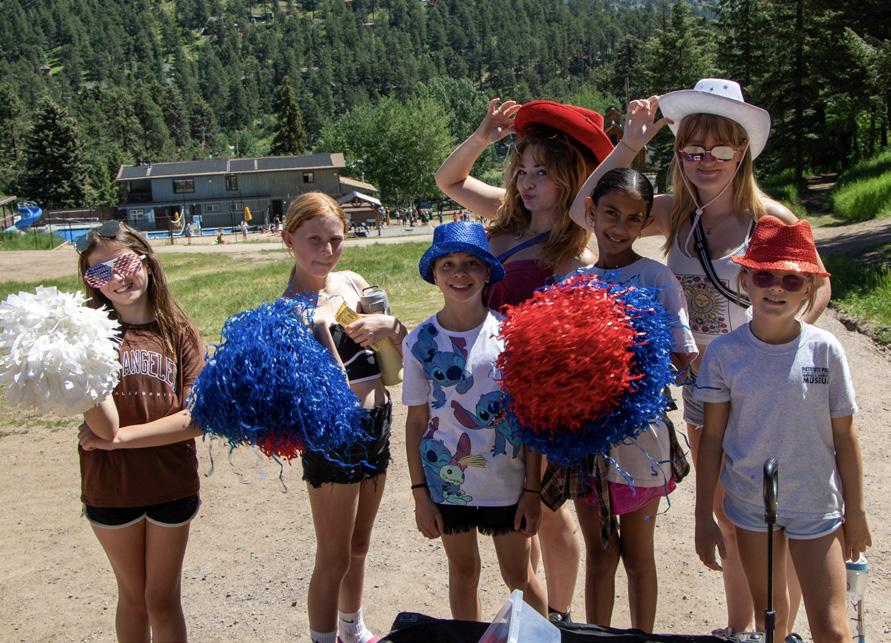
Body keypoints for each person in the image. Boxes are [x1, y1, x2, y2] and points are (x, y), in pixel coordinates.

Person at [570, 79, 831, 633]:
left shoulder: (769, 218)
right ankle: (741, 627)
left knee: (767, 517)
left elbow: (818, 284)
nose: (705, 161)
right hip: (703, 386)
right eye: (692, 150)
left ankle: (776, 631)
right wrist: (629, 145)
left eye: (719, 149)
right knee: (726, 513)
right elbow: (580, 211)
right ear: (679, 155)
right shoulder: (675, 213)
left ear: (742, 152)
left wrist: (785, 340)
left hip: (761, 383)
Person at [435, 97, 614, 622]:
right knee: (516, 510)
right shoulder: (504, 217)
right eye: (523, 170)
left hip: (542, 400)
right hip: (488, 393)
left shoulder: (576, 250)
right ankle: (530, 608)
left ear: (571, 178)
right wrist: (482, 137)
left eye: (543, 173)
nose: (527, 183)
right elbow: (449, 180)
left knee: (551, 512)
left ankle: (557, 614)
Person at [693, 216, 870, 641]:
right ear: (745, 281)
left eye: (791, 280)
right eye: (765, 276)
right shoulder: (724, 354)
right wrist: (703, 517)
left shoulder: (825, 350)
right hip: (752, 505)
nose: (776, 288)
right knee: (770, 619)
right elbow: (712, 439)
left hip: (817, 505)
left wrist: (857, 512)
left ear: (808, 289)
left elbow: (845, 437)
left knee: (833, 628)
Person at [563, 168, 697, 630]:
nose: (619, 227)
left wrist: (632, 356)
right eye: (611, 213)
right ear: (591, 212)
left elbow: (682, 359)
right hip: (584, 442)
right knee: (600, 556)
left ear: (645, 224)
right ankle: (596, 638)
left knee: (640, 557)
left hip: (643, 441)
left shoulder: (657, 278)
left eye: (633, 218)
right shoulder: (573, 284)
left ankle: (642, 638)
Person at [403, 221, 547, 620]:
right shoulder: (419, 341)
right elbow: (416, 421)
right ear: (434, 275)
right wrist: (420, 494)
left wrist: (532, 490)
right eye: (447, 264)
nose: (460, 273)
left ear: (487, 272)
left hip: (508, 482)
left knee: (519, 575)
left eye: (471, 263)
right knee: (463, 572)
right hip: (447, 484)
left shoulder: (512, 336)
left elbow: (530, 420)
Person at [281, 192, 407, 643]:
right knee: (333, 556)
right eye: (314, 240)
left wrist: (389, 326)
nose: (327, 250)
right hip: (334, 435)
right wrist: (320, 333)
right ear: (288, 240)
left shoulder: (352, 283)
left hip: (377, 423)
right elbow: (309, 391)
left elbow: (395, 358)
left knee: (359, 545)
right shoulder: (288, 308)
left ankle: (353, 630)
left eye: (335, 239)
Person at [74, 220, 205, 642]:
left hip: (171, 483)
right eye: (99, 272)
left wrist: (120, 440)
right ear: (90, 282)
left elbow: (196, 419)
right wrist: (76, 348)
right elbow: (103, 425)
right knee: (133, 599)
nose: (117, 278)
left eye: (125, 263)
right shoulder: (88, 336)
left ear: (147, 261)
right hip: (111, 487)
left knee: (162, 600)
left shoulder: (179, 331)